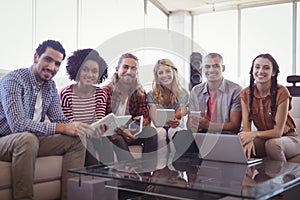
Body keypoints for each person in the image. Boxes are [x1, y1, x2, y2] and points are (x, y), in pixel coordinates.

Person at [0, 40, 96, 200]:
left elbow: (60, 119)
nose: (52, 67)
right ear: (36, 57)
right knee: (27, 139)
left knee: (78, 139)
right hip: (5, 140)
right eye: (48, 60)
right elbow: (18, 124)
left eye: (57, 64)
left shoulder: (50, 86)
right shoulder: (14, 80)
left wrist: (82, 128)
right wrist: (61, 128)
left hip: (30, 140)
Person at [173, 53, 242, 154]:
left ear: (223, 68)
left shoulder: (235, 90)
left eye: (216, 66)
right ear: (203, 69)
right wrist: (192, 124)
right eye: (207, 66)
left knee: (228, 137)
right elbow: (190, 126)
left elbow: (235, 126)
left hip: (224, 134)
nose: (211, 70)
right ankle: (191, 167)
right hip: (202, 134)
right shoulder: (196, 91)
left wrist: (209, 125)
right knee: (180, 137)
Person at [238, 53, 300, 162]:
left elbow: (278, 132)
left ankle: (281, 178)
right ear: (252, 71)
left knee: (272, 144)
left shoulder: (282, 92)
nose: (260, 71)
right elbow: (246, 127)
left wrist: (253, 134)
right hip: (264, 138)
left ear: (273, 72)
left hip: (288, 138)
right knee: (240, 144)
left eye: (266, 68)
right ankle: (249, 178)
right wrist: (248, 139)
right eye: (257, 67)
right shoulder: (245, 93)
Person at [59, 48, 114, 166]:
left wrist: (101, 128)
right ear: (77, 70)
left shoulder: (100, 93)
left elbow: (98, 120)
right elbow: (69, 123)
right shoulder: (66, 94)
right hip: (76, 135)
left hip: (93, 133)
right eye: (85, 70)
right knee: (87, 144)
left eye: (94, 71)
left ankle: (110, 180)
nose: (90, 75)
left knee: (106, 142)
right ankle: (94, 180)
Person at [104, 53, 158, 162]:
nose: (129, 71)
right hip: (114, 133)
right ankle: (130, 173)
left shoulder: (139, 93)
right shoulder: (105, 92)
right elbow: (103, 122)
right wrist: (122, 131)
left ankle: (147, 174)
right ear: (117, 69)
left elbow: (146, 117)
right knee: (118, 138)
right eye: (125, 67)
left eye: (133, 69)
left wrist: (142, 123)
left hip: (132, 132)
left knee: (151, 132)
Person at [147, 59, 189, 154]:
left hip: (177, 128)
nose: (164, 75)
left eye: (168, 71)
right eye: (160, 73)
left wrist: (174, 120)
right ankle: (161, 165)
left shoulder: (183, 93)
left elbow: (180, 113)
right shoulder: (151, 94)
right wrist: (172, 119)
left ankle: (174, 164)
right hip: (160, 128)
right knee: (160, 132)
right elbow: (157, 121)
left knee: (173, 130)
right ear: (157, 76)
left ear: (174, 72)